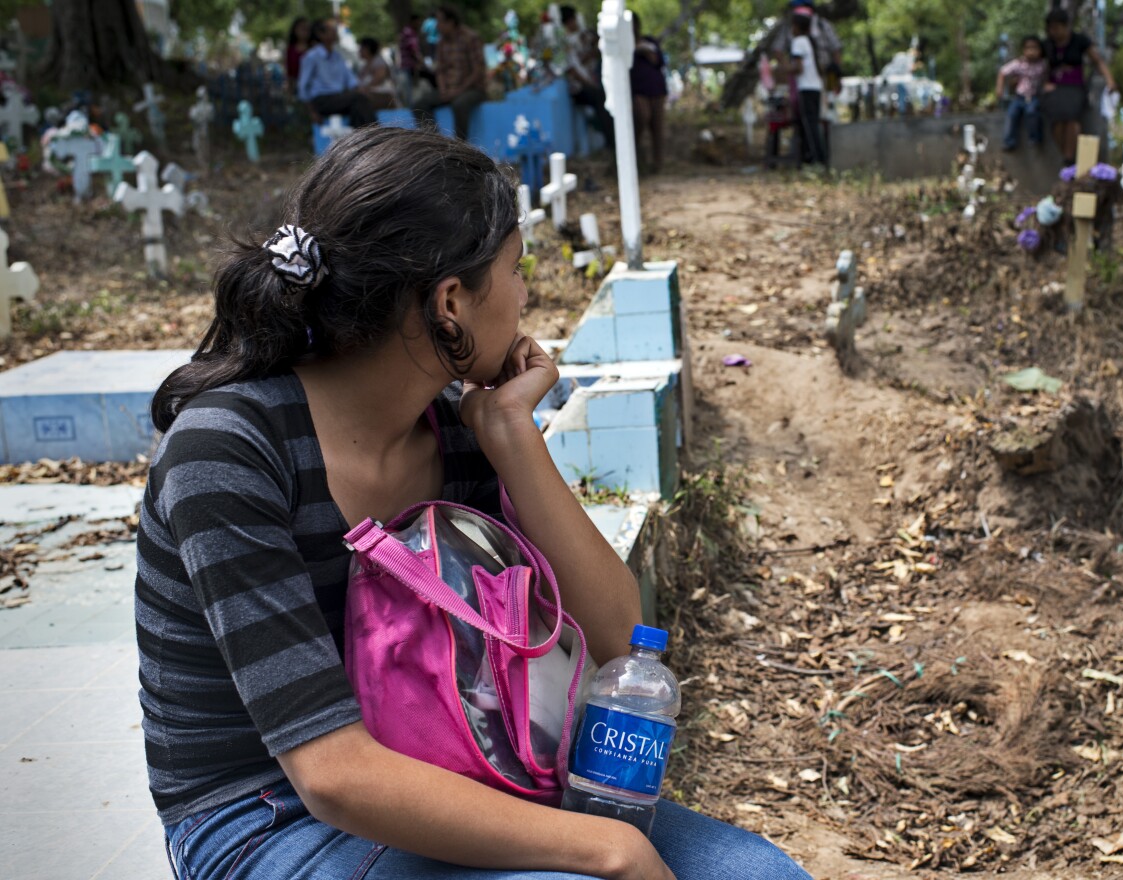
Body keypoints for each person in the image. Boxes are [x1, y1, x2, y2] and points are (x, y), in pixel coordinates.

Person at [137, 126, 813, 880]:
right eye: (517, 270)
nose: (526, 296)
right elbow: (331, 774)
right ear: (451, 301)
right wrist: (610, 849)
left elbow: (626, 641)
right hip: (271, 814)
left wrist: (512, 437)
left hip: (469, 763)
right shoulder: (226, 453)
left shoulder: (457, 429)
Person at [1040, 8, 1116, 166]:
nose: (1054, 31)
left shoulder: (1080, 40)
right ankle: (1066, 157)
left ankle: (1069, 158)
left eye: (1057, 27)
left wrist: (1110, 81)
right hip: (1054, 89)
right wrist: (1044, 83)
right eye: (1051, 28)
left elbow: (1097, 61)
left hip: (1075, 88)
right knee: (1057, 119)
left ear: (1066, 26)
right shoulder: (1047, 45)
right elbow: (1037, 66)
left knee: (1071, 117)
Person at [412, 5, 486, 141]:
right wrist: (443, 89)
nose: (437, 26)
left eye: (440, 21)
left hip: (471, 89)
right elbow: (440, 70)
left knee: (459, 104)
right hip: (449, 89)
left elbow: (478, 70)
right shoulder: (441, 42)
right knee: (419, 104)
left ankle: (460, 147)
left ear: (450, 22)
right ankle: (434, 143)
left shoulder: (470, 38)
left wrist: (458, 91)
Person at [297, 18, 376, 127]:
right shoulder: (312, 57)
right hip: (322, 100)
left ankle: (362, 138)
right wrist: (312, 111)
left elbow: (350, 79)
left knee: (359, 104)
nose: (335, 31)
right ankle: (371, 135)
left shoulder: (337, 56)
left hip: (338, 98)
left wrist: (361, 89)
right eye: (331, 29)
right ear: (320, 34)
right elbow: (303, 86)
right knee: (358, 99)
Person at [561, 4, 615, 149]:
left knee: (605, 97)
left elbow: (597, 47)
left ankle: (611, 139)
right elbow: (573, 72)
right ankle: (611, 141)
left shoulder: (582, 36)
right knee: (601, 98)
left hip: (591, 82)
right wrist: (592, 86)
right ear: (569, 21)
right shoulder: (564, 42)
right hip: (580, 89)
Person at [995, 35, 1047, 151]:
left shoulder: (1042, 65)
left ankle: (1035, 138)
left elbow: (1047, 79)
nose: (1031, 52)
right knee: (1011, 114)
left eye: (1035, 48)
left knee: (1032, 112)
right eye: (1028, 48)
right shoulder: (1019, 64)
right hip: (1019, 97)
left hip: (1034, 96)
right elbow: (1003, 72)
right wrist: (1000, 89)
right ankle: (1009, 142)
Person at [630, 13, 667, 171]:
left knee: (657, 127)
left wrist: (645, 51)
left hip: (656, 89)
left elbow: (658, 61)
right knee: (642, 117)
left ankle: (657, 163)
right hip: (638, 90)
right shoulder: (624, 46)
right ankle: (637, 158)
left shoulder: (649, 41)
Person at [789, 10, 826, 167]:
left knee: (809, 125)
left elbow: (799, 68)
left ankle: (817, 159)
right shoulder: (810, 41)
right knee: (812, 123)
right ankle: (813, 157)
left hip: (806, 87)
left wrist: (783, 68)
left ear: (797, 27)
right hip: (816, 86)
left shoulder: (798, 42)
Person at [770, 0, 841, 81]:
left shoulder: (823, 25)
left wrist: (835, 74)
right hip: (800, 81)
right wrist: (789, 68)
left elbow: (836, 48)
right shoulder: (789, 28)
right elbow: (777, 49)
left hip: (824, 75)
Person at [398, 14, 436, 106]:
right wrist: (425, 64)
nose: (419, 24)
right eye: (418, 22)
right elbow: (414, 51)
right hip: (409, 67)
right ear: (413, 22)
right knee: (411, 93)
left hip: (410, 67)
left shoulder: (409, 32)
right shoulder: (409, 33)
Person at [358, 37, 399, 110]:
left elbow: (379, 77)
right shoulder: (365, 65)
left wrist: (364, 89)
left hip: (383, 97)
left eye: (361, 48)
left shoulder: (378, 62)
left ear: (367, 49)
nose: (359, 51)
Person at [284, 17, 312, 92]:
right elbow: (289, 71)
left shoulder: (314, 48)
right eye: (301, 29)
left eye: (306, 29)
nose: (304, 32)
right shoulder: (291, 50)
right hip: (297, 85)